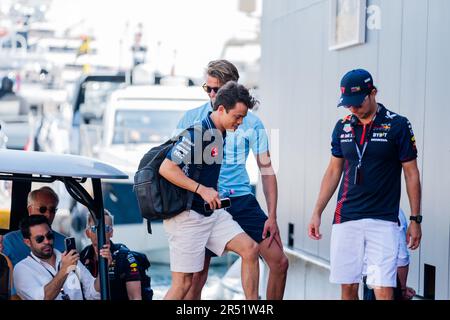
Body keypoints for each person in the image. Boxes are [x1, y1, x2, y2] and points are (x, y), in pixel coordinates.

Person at [178, 60, 288, 300]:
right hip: (203, 202)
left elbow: (267, 170)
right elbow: (174, 166)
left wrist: (272, 215)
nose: (211, 94)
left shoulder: (251, 121)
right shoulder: (192, 119)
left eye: (216, 89)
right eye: (207, 89)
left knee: (279, 263)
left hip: (240, 198)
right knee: (196, 277)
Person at [308, 69, 422, 300]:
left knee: (383, 289)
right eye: (348, 104)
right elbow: (333, 171)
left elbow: (411, 174)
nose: (353, 109)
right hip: (346, 217)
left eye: (357, 103)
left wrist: (415, 219)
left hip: (383, 219)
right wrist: (317, 211)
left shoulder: (398, 125)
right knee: (348, 288)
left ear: (373, 93)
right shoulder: (342, 127)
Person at [159, 81, 259, 300]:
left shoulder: (220, 133)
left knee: (250, 249)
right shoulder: (197, 133)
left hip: (210, 214)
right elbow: (167, 168)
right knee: (183, 284)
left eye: (243, 117)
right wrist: (202, 189)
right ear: (221, 109)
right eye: (237, 116)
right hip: (187, 218)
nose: (240, 122)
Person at [13, 215, 112, 300]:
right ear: (27, 242)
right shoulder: (21, 269)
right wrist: (65, 269)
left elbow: (93, 293)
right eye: (40, 239)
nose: (47, 241)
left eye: (49, 236)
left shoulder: (68, 258)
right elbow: (44, 298)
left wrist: (103, 269)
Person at [80, 210, 145, 300]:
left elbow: (135, 297)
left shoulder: (125, 256)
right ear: (87, 233)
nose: (100, 232)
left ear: (111, 232)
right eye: (95, 228)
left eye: (105, 228)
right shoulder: (82, 257)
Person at [2, 186, 66, 266]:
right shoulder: (8, 242)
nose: (48, 214)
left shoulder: (64, 243)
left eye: (52, 210)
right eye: (42, 209)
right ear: (30, 210)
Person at [363, 209, 416, 300]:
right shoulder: (395, 212)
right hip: (386, 279)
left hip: (370, 278)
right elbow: (402, 258)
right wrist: (402, 289)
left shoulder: (358, 209)